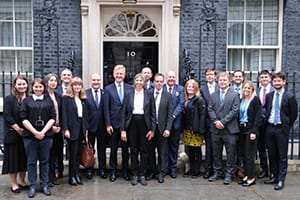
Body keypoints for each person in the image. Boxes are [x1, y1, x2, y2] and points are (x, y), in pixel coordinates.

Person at [20, 78, 56, 198]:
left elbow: (53, 117)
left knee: (45, 161)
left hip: (46, 136)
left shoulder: (48, 100)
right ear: (32, 88)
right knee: (31, 162)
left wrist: (43, 132)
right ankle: (32, 186)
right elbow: (23, 118)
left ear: (44, 88)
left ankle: (44, 185)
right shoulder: (27, 101)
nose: (38, 89)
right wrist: (35, 132)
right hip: (30, 137)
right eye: (36, 87)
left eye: (40, 87)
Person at [263, 72, 298, 190]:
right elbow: (266, 110)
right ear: (272, 83)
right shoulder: (269, 96)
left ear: (284, 82)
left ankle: (281, 180)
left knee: (282, 155)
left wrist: (286, 125)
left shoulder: (290, 96)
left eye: (279, 81)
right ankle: (274, 176)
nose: (277, 83)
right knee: (272, 154)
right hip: (269, 127)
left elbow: (293, 114)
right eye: (275, 81)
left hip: (281, 128)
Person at [121, 73, 156, 186]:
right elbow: (124, 113)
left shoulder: (149, 94)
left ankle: (142, 174)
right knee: (134, 150)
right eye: (137, 80)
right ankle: (135, 174)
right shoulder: (128, 94)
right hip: (132, 123)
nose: (139, 82)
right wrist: (123, 130)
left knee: (144, 150)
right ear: (134, 82)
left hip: (144, 123)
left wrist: (152, 129)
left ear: (144, 82)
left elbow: (153, 113)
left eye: (141, 80)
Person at [208, 72, 240, 185]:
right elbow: (210, 109)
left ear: (229, 81)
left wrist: (223, 122)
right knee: (216, 153)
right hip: (216, 129)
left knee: (230, 153)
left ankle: (229, 174)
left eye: (224, 80)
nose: (222, 82)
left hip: (229, 129)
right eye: (220, 80)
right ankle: (217, 172)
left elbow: (235, 111)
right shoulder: (213, 94)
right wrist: (216, 121)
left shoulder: (235, 95)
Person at [104, 64, 133, 182]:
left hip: (127, 124)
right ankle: (113, 171)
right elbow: (106, 108)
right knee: (113, 148)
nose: (119, 75)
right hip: (114, 124)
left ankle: (125, 171)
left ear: (124, 75)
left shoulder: (130, 88)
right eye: (117, 73)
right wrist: (108, 124)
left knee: (126, 150)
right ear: (114, 74)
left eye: (121, 73)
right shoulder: (108, 89)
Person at [2, 75, 29, 193]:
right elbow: (7, 116)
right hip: (13, 134)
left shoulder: (30, 98)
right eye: (19, 84)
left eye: (24, 84)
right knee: (13, 160)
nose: (22, 86)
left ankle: (22, 181)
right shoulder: (9, 99)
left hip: (27, 134)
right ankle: (14, 184)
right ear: (15, 86)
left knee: (24, 158)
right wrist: (17, 128)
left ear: (27, 85)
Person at [61, 77, 88, 186]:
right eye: (75, 85)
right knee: (72, 154)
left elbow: (85, 116)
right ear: (71, 86)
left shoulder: (83, 99)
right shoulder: (66, 99)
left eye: (79, 85)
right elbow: (64, 115)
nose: (77, 87)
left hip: (81, 128)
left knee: (78, 154)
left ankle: (77, 174)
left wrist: (86, 130)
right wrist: (66, 129)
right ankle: (71, 176)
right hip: (72, 129)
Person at [147, 73, 173, 183]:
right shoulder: (148, 93)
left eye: (161, 81)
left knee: (162, 152)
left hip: (162, 128)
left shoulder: (168, 95)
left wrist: (168, 128)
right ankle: (152, 171)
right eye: (157, 81)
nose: (159, 83)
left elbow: (170, 114)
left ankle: (161, 173)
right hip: (150, 128)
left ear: (163, 82)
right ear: (153, 82)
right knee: (150, 151)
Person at [237, 81, 261, 187]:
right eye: (244, 88)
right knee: (243, 154)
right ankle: (246, 175)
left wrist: (254, 131)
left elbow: (257, 117)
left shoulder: (255, 100)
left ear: (252, 89)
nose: (246, 90)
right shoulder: (241, 100)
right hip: (241, 129)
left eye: (248, 88)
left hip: (250, 129)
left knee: (249, 155)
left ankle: (251, 178)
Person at [85, 73, 108, 179]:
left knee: (102, 149)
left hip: (102, 127)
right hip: (90, 127)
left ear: (101, 81)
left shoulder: (105, 93)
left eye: (98, 80)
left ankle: (102, 169)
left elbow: (107, 110)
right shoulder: (85, 94)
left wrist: (108, 124)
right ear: (91, 81)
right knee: (90, 149)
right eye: (94, 80)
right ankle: (89, 169)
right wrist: (85, 128)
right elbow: (84, 113)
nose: (96, 82)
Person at [182, 80, 206, 178]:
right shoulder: (186, 100)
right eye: (188, 87)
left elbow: (203, 116)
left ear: (195, 88)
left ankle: (197, 170)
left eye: (192, 87)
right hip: (187, 129)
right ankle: (191, 169)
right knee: (190, 151)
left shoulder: (199, 100)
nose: (190, 89)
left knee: (197, 150)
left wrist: (200, 130)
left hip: (196, 129)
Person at [163, 71, 184, 179]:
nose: (171, 78)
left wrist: (173, 116)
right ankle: (164, 168)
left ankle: (173, 169)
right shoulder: (162, 88)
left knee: (174, 147)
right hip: (164, 124)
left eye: (173, 77)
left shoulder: (180, 89)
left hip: (175, 123)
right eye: (169, 76)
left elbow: (181, 104)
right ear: (166, 78)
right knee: (164, 147)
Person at [44, 73, 63, 187]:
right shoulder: (43, 96)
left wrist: (60, 126)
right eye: (51, 80)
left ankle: (53, 176)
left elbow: (61, 112)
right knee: (48, 155)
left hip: (58, 129)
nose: (53, 82)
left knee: (55, 154)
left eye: (55, 81)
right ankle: (47, 178)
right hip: (47, 129)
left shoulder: (58, 96)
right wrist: (51, 126)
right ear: (46, 82)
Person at [200, 67, 219, 179]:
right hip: (208, 122)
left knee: (217, 147)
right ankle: (208, 169)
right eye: (208, 75)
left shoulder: (219, 87)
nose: (210, 76)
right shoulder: (202, 89)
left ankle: (217, 169)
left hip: (219, 121)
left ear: (215, 76)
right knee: (209, 147)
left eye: (211, 74)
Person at [53, 68, 73, 179]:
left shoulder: (75, 90)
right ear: (61, 77)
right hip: (59, 124)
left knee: (72, 149)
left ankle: (73, 170)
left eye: (68, 75)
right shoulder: (56, 91)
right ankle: (58, 169)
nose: (66, 76)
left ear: (71, 77)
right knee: (58, 148)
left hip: (72, 124)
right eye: (64, 74)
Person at [256, 70, 274, 179]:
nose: (264, 79)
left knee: (272, 149)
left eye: (266, 77)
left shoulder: (273, 90)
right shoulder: (257, 90)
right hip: (259, 124)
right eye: (262, 77)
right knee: (261, 148)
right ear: (259, 79)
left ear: (270, 78)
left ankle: (273, 171)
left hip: (270, 124)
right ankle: (264, 170)